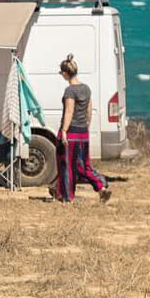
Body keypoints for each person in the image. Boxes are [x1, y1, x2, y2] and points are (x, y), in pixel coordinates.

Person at [51, 53, 111, 204]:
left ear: (65, 73)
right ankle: (101, 186)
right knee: (84, 165)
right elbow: (89, 109)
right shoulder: (86, 88)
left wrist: (64, 131)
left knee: (67, 166)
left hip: (70, 132)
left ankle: (67, 197)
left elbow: (69, 111)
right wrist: (87, 125)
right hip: (83, 132)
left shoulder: (70, 91)